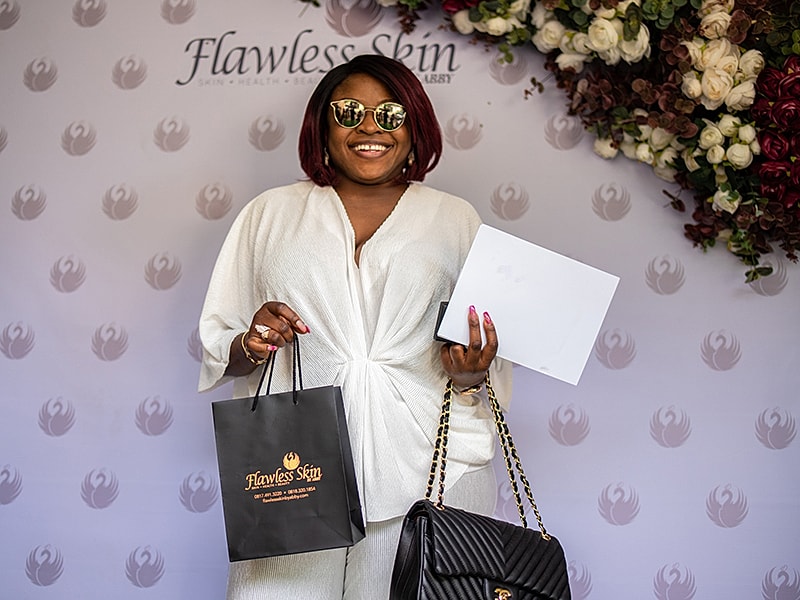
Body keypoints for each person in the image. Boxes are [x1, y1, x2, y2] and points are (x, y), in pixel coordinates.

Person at [198, 54, 512, 600]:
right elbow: (222, 343)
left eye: (391, 114)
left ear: (416, 130)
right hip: (294, 466)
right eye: (350, 111)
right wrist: (252, 341)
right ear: (322, 125)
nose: (370, 127)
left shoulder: (456, 219)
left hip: (431, 463)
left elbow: (485, 363)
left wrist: (468, 372)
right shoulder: (269, 214)